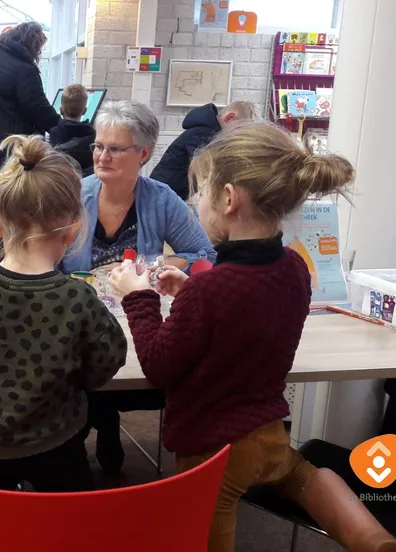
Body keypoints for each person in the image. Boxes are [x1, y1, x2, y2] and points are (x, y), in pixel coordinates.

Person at [109, 121, 396, 552]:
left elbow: (159, 363)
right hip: (269, 435)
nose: (196, 204)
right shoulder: (294, 269)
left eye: (201, 193)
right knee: (303, 475)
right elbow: (246, 317)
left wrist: (138, 297)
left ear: (228, 199)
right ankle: (371, 536)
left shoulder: (212, 289)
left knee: (209, 532)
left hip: (214, 454)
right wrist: (189, 293)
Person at [0, 135, 128, 492]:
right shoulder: (77, 299)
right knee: (67, 527)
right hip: (59, 445)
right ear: (72, 229)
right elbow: (106, 361)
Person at [59, 100, 215, 475]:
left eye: (115, 148)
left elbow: (205, 254)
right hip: (76, 320)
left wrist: (150, 266)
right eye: (98, 145)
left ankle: (104, 418)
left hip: (136, 318)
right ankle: (93, 425)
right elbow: (42, 260)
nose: (102, 155)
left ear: (143, 154)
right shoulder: (72, 195)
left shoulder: (160, 198)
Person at [0, 21, 60, 188]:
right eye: (39, 48)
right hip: (10, 147)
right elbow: (38, 108)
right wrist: (64, 127)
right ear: (31, 44)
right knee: (14, 202)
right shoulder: (23, 68)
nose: (38, 52)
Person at [150, 101, 255, 200]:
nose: (237, 135)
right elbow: (205, 166)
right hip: (161, 192)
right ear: (229, 118)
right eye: (239, 129)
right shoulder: (203, 132)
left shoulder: (208, 132)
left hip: (168, 192)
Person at [49, 83, 96, 177]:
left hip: (62, 181)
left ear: (61, 110)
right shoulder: (92, 133)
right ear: (84, 111)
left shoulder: (55, 132)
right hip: (85, 182)